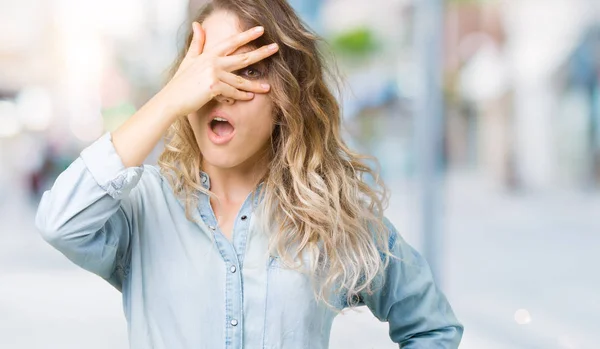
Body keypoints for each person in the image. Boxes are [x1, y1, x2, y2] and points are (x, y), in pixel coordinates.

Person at [35, 0, 463, 348]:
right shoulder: (143, 205)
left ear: (285, 96)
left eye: (248, 71)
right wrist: (166, 101)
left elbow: (432, 329)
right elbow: (59, 223)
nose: (218, 89)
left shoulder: (331, 213)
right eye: (204, 70)